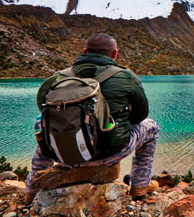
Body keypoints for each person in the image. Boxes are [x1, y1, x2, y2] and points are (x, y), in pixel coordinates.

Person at [25, 33, 159, 202]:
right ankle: (139, 187)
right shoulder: (126, 77)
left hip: (63, 155)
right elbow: (141, 116)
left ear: (84, 51)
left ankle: (31, 189)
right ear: (114, 54)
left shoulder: (58, 78)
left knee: (47, 129)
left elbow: (44, 113)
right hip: (109, 153)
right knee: (151, 127)